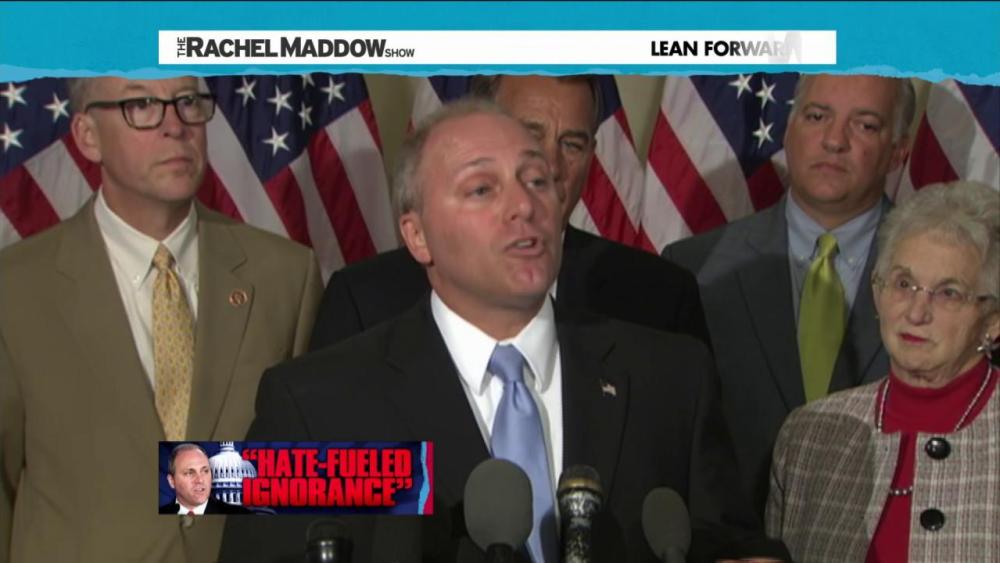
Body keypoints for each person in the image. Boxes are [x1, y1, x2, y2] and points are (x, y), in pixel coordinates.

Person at [220, 101, 784, 562]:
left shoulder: (672, 378)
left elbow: (728, 544)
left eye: (537, 180)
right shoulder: (315, 403)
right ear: (417, 236)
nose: (524, 206)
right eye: (482, 189)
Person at [0, 77, 322, 562]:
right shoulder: (15, 288)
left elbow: (307, 475)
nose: (175, 126)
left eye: (188, 102)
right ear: (87, 135)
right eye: (142, 105)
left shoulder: (285, 275)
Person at [663, 74, 916, 516]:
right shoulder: (694, 269)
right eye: (817, 117)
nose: (834, 141)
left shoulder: (944, 280)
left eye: (865, 125)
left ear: (898, 151)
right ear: (788, 129)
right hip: (733, 539)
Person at [308, 74, 710, 350]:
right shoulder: (364, 303)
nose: (550, 166)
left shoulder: (661, 300)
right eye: (527, 136)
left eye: (572, 144)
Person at [766, 181, 1000, 562]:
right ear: (877, 292)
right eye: (904, 283)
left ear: (993, 321)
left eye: (949, 293)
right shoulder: (810, 435)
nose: (916, 312)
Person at [159, 443, 250, 515]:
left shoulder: (242, 515)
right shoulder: (159, 514)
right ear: (172, 481)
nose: (200, 480)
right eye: (190, 473)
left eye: (205, 471)